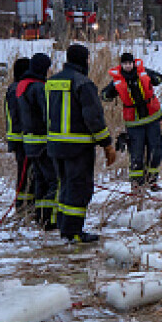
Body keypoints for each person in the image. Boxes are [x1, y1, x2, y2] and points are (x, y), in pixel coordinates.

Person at [46, 44, 116, 243]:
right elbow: (93, 117)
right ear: (84, 60)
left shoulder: (51, 82)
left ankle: (63, 226)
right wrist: (107, 144)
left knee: (65, 186)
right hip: (77, 147)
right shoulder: (82, 83)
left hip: (54, 146)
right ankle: (73, 232)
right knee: (79, 189)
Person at [101, 52, 162, 191]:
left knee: (156, 151)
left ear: (133, 63)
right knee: (136, 154)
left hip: (152, 119)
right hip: (134, 124)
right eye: (125, 64)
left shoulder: (144, 72)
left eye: (130, 63)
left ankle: (152, 181)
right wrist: (107, 95)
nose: (128, 66)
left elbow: (159, 79)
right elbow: (105, 95)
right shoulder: (117, 80)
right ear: (121, 65)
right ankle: (137, 184)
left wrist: (154, 79)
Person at [17, 53, 59, 230]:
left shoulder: (22, 86)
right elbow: (48, 114)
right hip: (43, 141)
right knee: (53, 180)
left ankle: (40, 216)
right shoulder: (39, 88)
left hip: (29, 141)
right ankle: (50, 219)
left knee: (40, 180)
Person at [5, 57, 33, 215]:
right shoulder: (19, 89)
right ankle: (23, 207)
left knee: (24, 173)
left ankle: (24, 205)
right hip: (22, 138)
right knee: (24, 174)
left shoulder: (13, 88)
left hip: (17, 138)